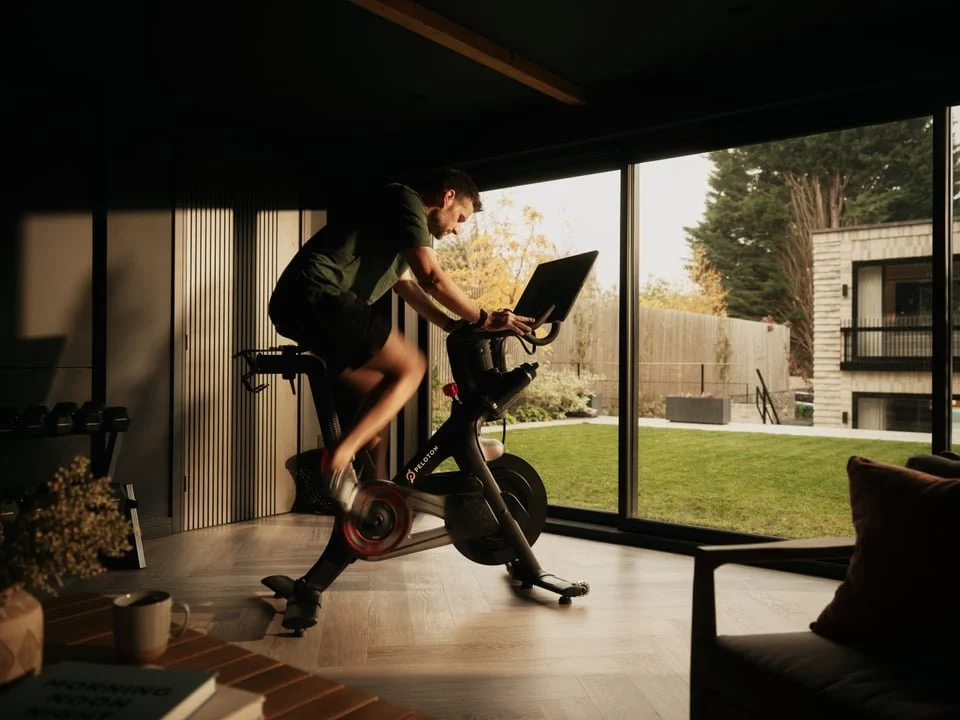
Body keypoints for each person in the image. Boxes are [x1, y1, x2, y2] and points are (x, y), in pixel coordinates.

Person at [268, 168, 534, 514]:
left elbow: (406, 284)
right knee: (413, 366)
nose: (455, 229)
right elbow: (431, 278)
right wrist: (483, 317)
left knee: (378, 394)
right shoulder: (405, 200)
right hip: (319, 294)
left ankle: (372, 503)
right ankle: (337, 460)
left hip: (298, 304)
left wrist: (451, 323)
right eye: (460, 219)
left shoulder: (396, 223)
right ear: (447, 196)